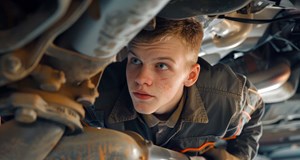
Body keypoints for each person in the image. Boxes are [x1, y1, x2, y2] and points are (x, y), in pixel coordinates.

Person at [84, 17, 264, 160]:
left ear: (190, 76)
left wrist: (239, 156)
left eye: (161, 66)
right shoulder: (97, 95)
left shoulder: (226, 100)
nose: (140, 79)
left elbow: (254, 110)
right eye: (136, 61)